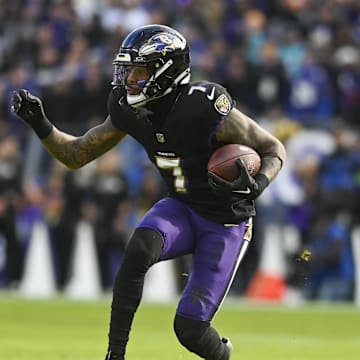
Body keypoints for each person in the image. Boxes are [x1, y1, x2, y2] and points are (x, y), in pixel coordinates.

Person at [11, 24, 286, 360]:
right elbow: (77, 154)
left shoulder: (204, 107)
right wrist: (42, 125)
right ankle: (115, 354)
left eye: (138, 72)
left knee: (190, 329)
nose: (128, 81)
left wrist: (257, 184)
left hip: (226, 223)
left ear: (165, 71)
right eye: (127, 71)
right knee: (139, 247)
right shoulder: (130, 110)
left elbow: (273, 148)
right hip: (182, 207)